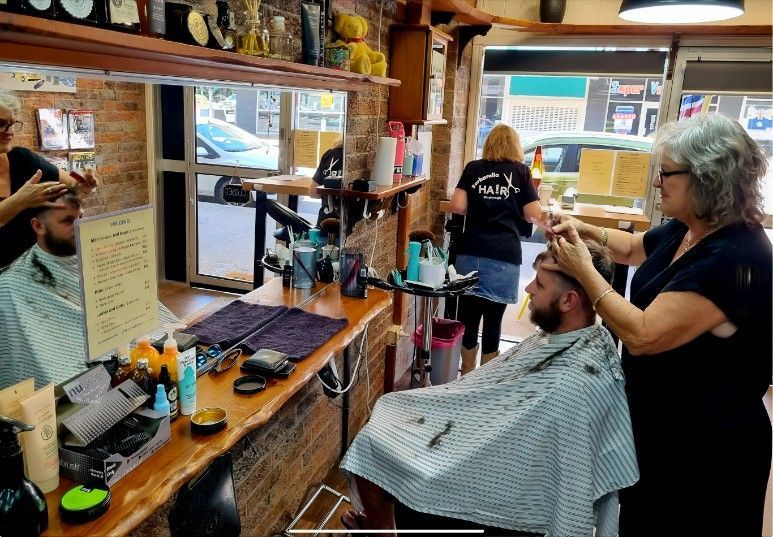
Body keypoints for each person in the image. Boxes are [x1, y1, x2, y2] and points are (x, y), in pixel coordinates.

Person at [546, 113, 772, 536]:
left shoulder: (735, 257)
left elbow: (643, 334)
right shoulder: (690, 230)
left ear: (706, 179)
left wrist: (583, 269)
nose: (656, 183)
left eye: (666, 174)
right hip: (660, 431)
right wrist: (584, 229)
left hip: (706, 451)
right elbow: (632, 247)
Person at [339, 242, 639, 536]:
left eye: (541, 284)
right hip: (487, 441)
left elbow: (556, 477)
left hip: (502, 484)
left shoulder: (573, 387)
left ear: (569, 301)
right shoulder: (584, 339)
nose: (528, 289)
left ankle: (383, 530)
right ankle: (383, 522)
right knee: (391, 407)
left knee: (373, 446)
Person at [0, 194, 180, 388]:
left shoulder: (97, 258)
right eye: (69, 221)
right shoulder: (11, 283)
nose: (79, 226)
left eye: (81, 218)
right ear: (38, 226)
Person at [450, 124, 541, 374]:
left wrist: (479, 206)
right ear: (515, 146)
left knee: (468, 317)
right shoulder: (521, 172)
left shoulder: (473, 168)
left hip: (470, 251)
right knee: (493, 321)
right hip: (503, 255)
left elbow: (457, 206)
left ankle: (466, 372)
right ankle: (486, 378)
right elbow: (533, 214)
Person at [0, 90, 97, 268]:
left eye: (13, 123)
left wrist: (84, 186)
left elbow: (74, 189)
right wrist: (20, 200)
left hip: (30, 270)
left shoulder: (23, 159)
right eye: (1, 124)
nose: (10, 132)